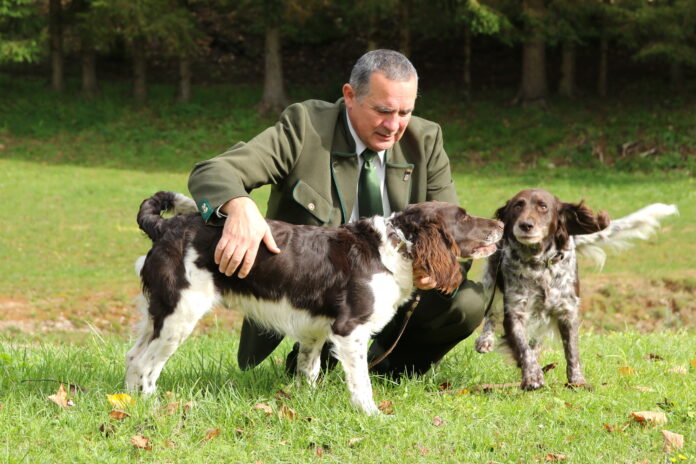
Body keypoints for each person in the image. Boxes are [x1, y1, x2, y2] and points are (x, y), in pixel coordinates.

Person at [188, 49, 484, 376]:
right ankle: (317, 360)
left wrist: (433, 271)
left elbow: (455, 234)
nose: (393, 125)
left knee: (468, 303)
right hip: (319, 299)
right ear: (350, 96)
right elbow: (213, 172)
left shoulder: (426, 139)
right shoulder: (305, 127)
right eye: (383, 111)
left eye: (405, 112)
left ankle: (389, 368)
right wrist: (239, 206)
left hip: (398, 290)